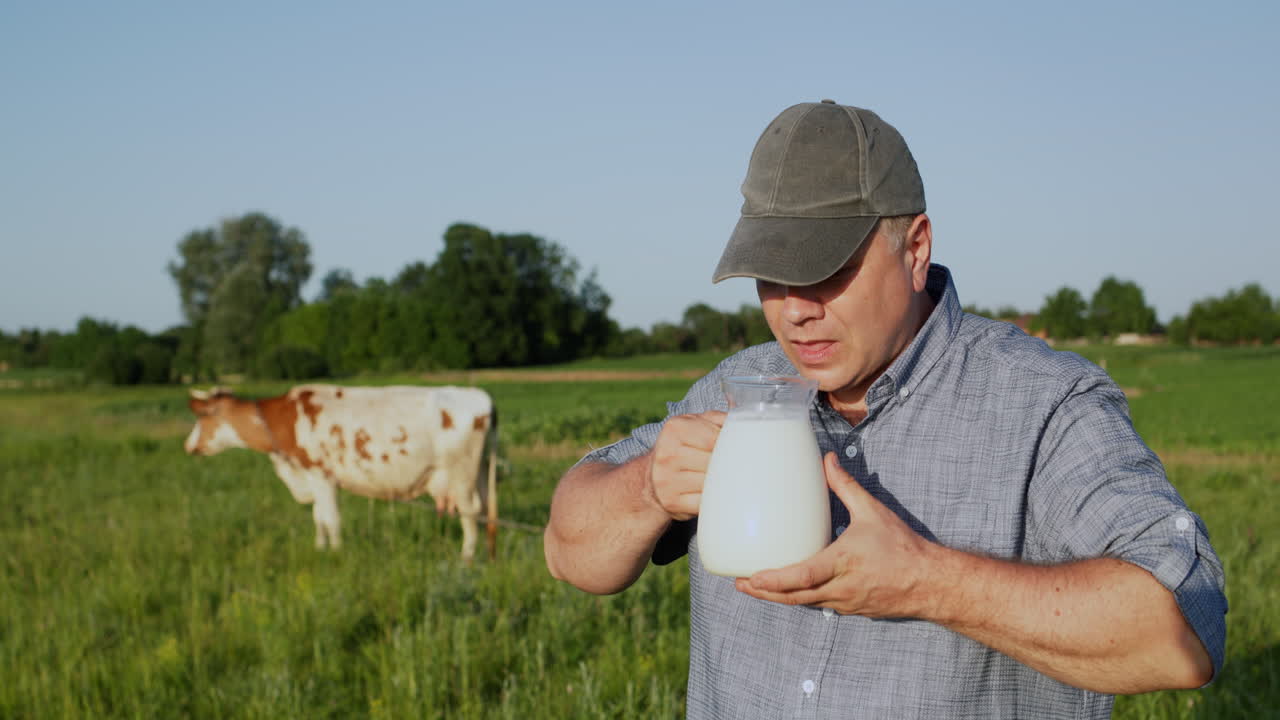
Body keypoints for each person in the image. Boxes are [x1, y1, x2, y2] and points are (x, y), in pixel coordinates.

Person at [543, 99, 1227, 719]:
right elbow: (571, 553)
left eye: (826, 268)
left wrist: (929, 583)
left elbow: (1185, 631)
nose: (796, 308)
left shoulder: (1043, 406)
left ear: (916, 249)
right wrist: (647, 488)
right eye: (771, 275)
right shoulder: (739, 390)